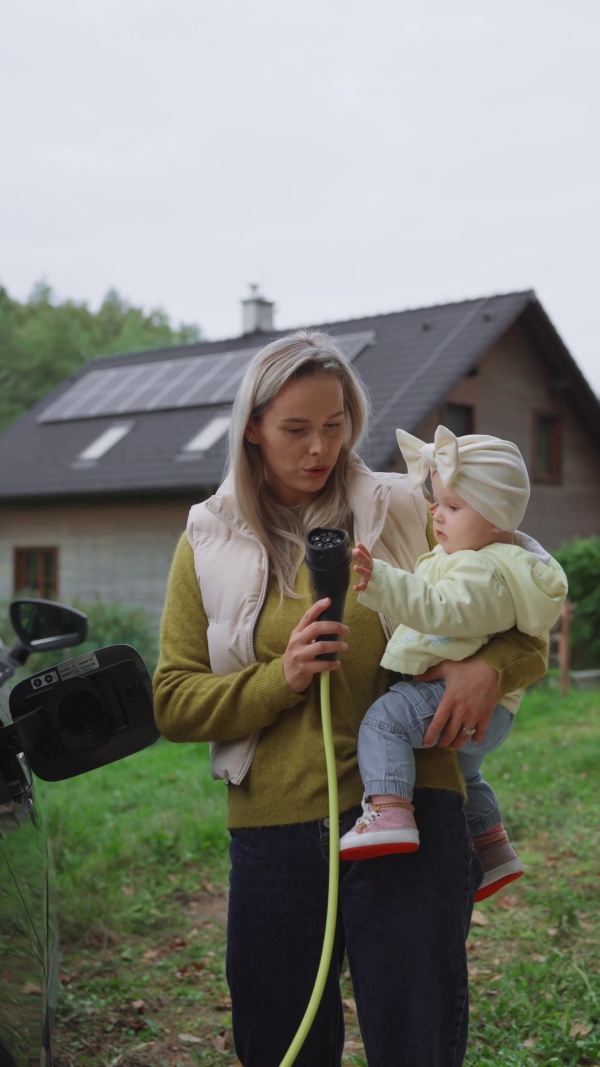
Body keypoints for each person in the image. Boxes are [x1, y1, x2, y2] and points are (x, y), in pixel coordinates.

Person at [153, 331, 549, 1067]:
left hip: (414, 813)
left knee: (415, 1040)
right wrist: (283, 675)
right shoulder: (206, 539)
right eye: (296, 429)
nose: (319, 448)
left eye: (334, 425)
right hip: (274, 831)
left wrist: (490, 667)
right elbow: (174, 700)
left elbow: (525, 601)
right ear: (252, 427)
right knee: (281, 1043)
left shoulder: (405, 505)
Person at [338, 425, 567, 902]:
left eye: (453, 507)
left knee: (382, 723)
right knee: (469, 773)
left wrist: (379, 579)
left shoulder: (481, 568)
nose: (436, 515)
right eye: (436, 502)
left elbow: (439, 608)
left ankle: (390, 811)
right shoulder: (485, 559)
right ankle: (492, 847)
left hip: (453, 693)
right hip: (495, 708)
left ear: (497, 516)